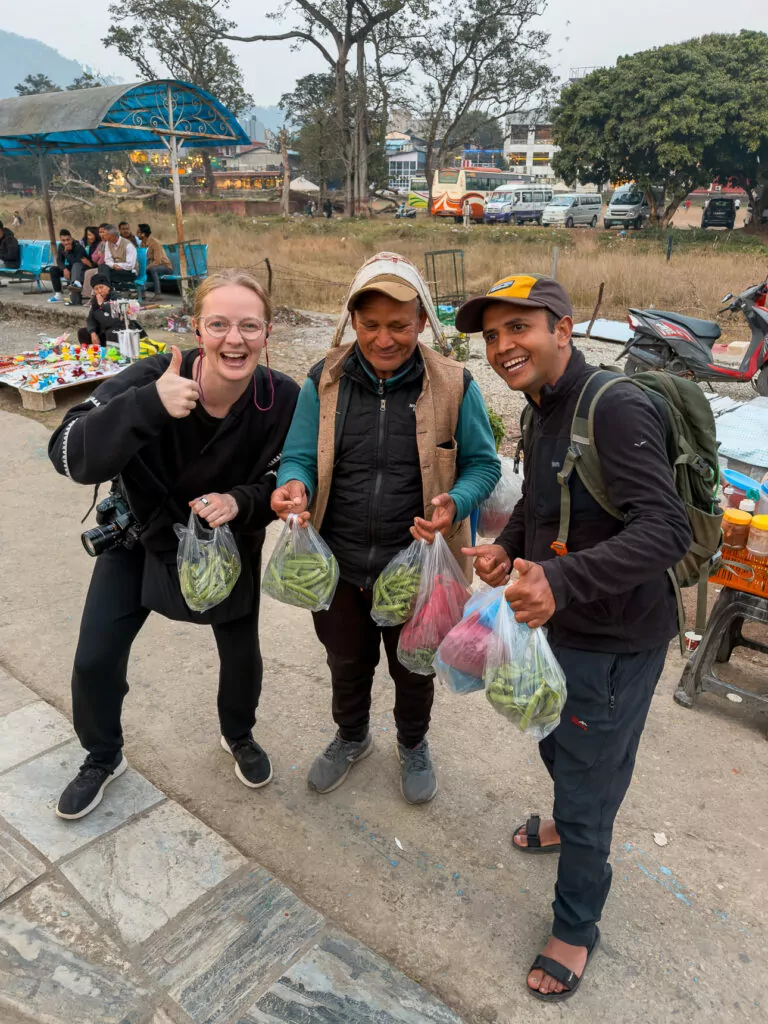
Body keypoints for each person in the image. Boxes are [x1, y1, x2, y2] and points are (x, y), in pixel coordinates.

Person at [455, 274, 691, 1002]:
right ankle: (566, 820)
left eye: (518, 328)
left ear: (562, 328)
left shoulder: (614, 408)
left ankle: (576, 928)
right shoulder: (542, 406)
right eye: (492, 336)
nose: (502, 346)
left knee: (590, 784)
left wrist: (560, 581)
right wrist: (508, 546)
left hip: (616, 640)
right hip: (558, 626)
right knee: (556, 739)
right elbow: (542, 495)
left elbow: (667, 532)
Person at [48, 269, 300, 820]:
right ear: (195, 328)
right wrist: (146, 406)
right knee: (95, 658)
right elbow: (68, 451)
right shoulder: (153, 376)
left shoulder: (280, 397)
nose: (234, 339)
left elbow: (289, 477)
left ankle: (239, 734)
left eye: (249, 326)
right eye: (219, 324)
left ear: (267, 332)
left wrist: (242, 501)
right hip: (140, 538)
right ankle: (101, 755)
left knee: (241, 657)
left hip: (226, 546)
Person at [272, 252, 500, 804]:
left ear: (422, 321)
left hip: (421, 568)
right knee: (346, 661)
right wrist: (295, 484)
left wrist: (457, 500)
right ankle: (352, 737)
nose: (384, 338)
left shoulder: (453, 384)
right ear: (353, 322)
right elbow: (298, 455)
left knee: (414, 666)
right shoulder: (322, 381)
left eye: (399, 325)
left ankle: (412, 743)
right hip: (339, 561)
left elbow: (484, 464)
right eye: (370, 324)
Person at [76, 274, 145, 347]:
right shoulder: (95, 301)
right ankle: (90, 352)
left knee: (111, 332)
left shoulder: (117, 297)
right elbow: (91, 319)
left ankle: (113, 354)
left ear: (108, 287)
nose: (99, 291)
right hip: (104, 332)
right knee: (83, 332)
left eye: (101, 287)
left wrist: (102, 304)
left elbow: (114, 320)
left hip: (120, 330)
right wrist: (92, 333)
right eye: (96, 289)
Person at [48, 229, 88, 305]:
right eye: (63, 240)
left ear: (71, 238)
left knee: (75, 266)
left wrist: (67, 253)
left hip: (80, 270)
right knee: (53, 270)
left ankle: (74, 295)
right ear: (60, 240)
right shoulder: (61, 246)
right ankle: (58, 294)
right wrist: (64, 269)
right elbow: (59, 260)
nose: (66, 242)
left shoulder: (78, 247)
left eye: (68, 240)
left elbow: (77, 263)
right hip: (70, 268)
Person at [137, 222, 172, 299]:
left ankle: (158, 294)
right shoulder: (142, 244)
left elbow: (157, 261)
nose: (137, 234)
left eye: (138, 233)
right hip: (154, 265)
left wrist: (146, 268)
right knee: (139, 269)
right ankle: (141, 293)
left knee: (152, 269)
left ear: (143, 234)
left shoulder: (155, 243)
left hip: (165, 266)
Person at [103, 223, 138, 290]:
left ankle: (106, 290)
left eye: (105, 234)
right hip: (115, 270)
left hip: (129, 272)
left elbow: (130, 265)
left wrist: (116, 265)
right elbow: (107, 260)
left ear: (112, 236)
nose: (103, 236)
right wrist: (113, 266)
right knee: (103, 267)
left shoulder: (128, 245)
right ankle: (107, 290)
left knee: (102, 274)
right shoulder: (108, 243)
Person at [82, 224, 110, 299]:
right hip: (101, 266)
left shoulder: (111, 243)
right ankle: (87, 295)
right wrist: (99, 255)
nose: (101, 234)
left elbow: (106, 259)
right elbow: (94, 258)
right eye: (100, 232)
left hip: (109, 267)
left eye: (103, 232)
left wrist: (100, 256)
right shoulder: (101, 243)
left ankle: (95, 296)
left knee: (96, 273)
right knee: (88, 272)